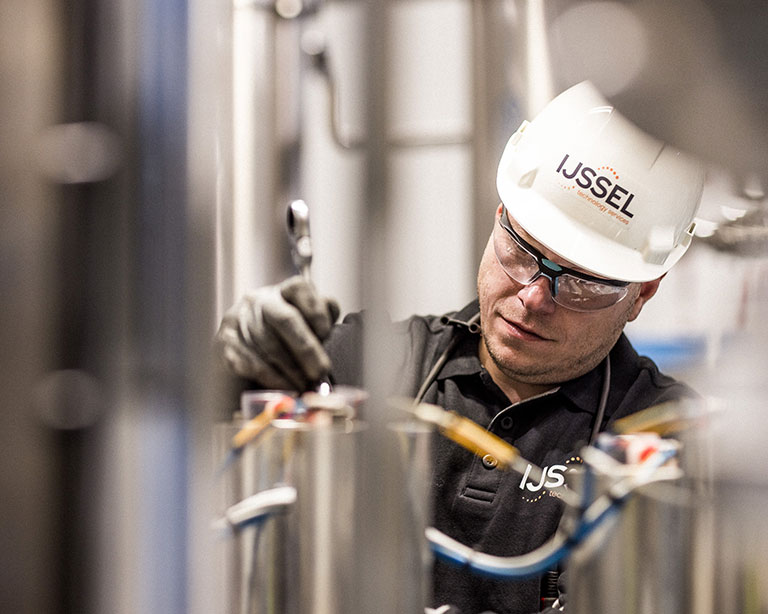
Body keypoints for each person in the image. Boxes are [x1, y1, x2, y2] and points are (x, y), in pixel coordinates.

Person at [215, 81, 705, 614]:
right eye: (522, 251)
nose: (534, 295)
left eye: (583, 283)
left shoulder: (673, 435)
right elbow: (187, 424)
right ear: (499, 219)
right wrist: (234, 361)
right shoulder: (369, 363)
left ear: (642, 294)